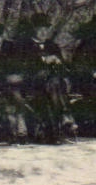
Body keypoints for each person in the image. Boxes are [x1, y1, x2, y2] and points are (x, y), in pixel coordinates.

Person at [16, 12, 75, 142]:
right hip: (32, 83)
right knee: (54, 84)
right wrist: (43, 60)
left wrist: (58, 62)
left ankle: (54, 133)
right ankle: (65, 115)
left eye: (46, 29)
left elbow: (64, 69)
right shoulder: (23, 45)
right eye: (40, 29)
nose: (43, 32)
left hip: (51, 85)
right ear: (33, 30)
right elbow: (23, 66)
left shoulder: (52, 46)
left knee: (54, 83)